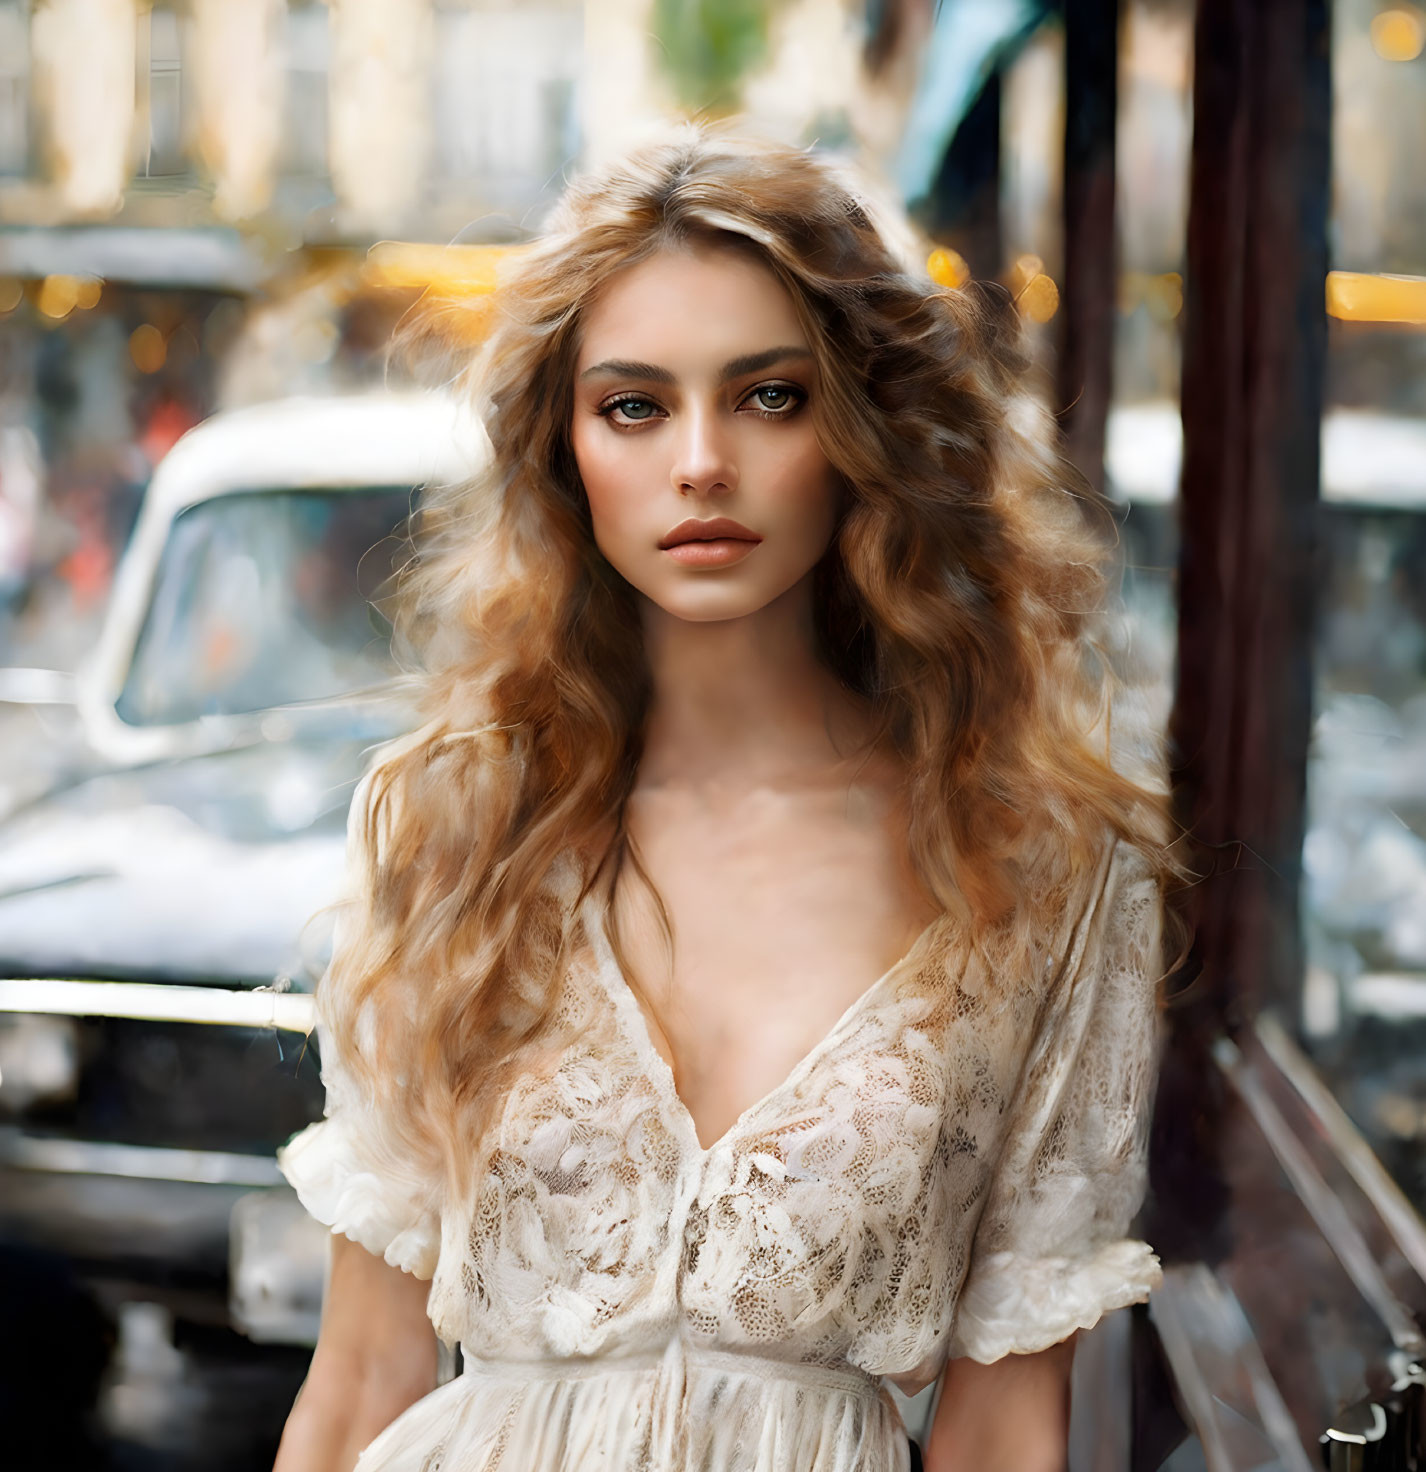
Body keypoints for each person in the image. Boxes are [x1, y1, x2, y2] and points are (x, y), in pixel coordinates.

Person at [272, 125, 1184, 1472]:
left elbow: (1005, 1431)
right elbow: (359, 1380)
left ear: (862, 429)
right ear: (562, 451)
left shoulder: (1039, 868)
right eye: (633, 406)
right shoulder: (455, 825)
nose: (701, 462)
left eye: (769, 396)